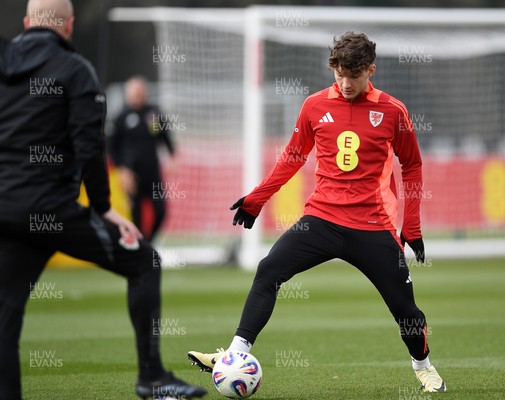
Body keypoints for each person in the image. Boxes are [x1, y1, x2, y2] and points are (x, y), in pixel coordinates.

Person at [188, 32, 446, 393]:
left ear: (371, 70)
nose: (345, 83)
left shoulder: (393, 111)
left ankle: (423, 366)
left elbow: (413, 166)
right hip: (321, 219)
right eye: (339, 74)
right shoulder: (313, 106)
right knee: (268, 270)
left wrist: (413, 226)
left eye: (354, 76)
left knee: (406, 310)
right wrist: (257, 199)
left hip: (372, 225)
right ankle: (234, 354)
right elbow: (292, 157)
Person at [0, 0, 206, 398]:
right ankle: (152, 377)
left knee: (6, 316)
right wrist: (103, 207)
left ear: (26, 24)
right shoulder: (76, 70)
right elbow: (90, 148)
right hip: (50, 210)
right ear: (70, 26)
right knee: (144, 260)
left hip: (5, 209)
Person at [108, 76, 176, 242]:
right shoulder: (121, 118)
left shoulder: (152, 115)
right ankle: (140, 248)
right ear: (128, 94)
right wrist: (122, 170)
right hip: (132, 174)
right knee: (136, 215)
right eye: (134, 92)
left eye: (140, 92)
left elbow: (163, 136)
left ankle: (149, 242)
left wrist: (172, 154)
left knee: (161, 211)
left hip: (152, 172)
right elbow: (112, 148)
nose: (137, 96)